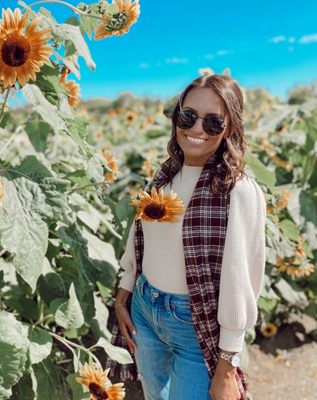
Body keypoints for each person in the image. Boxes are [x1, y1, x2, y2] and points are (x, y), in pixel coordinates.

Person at [106, 74, 266, 400]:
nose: (195, 130)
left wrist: (227, 364)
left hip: (195, 325)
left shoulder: (238, 191)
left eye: (212, 122)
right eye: (188, 116)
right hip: (145, 308)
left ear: (230, 128)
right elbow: (140, 238)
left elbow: (242, 280)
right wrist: (124, 291)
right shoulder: (165, 175)